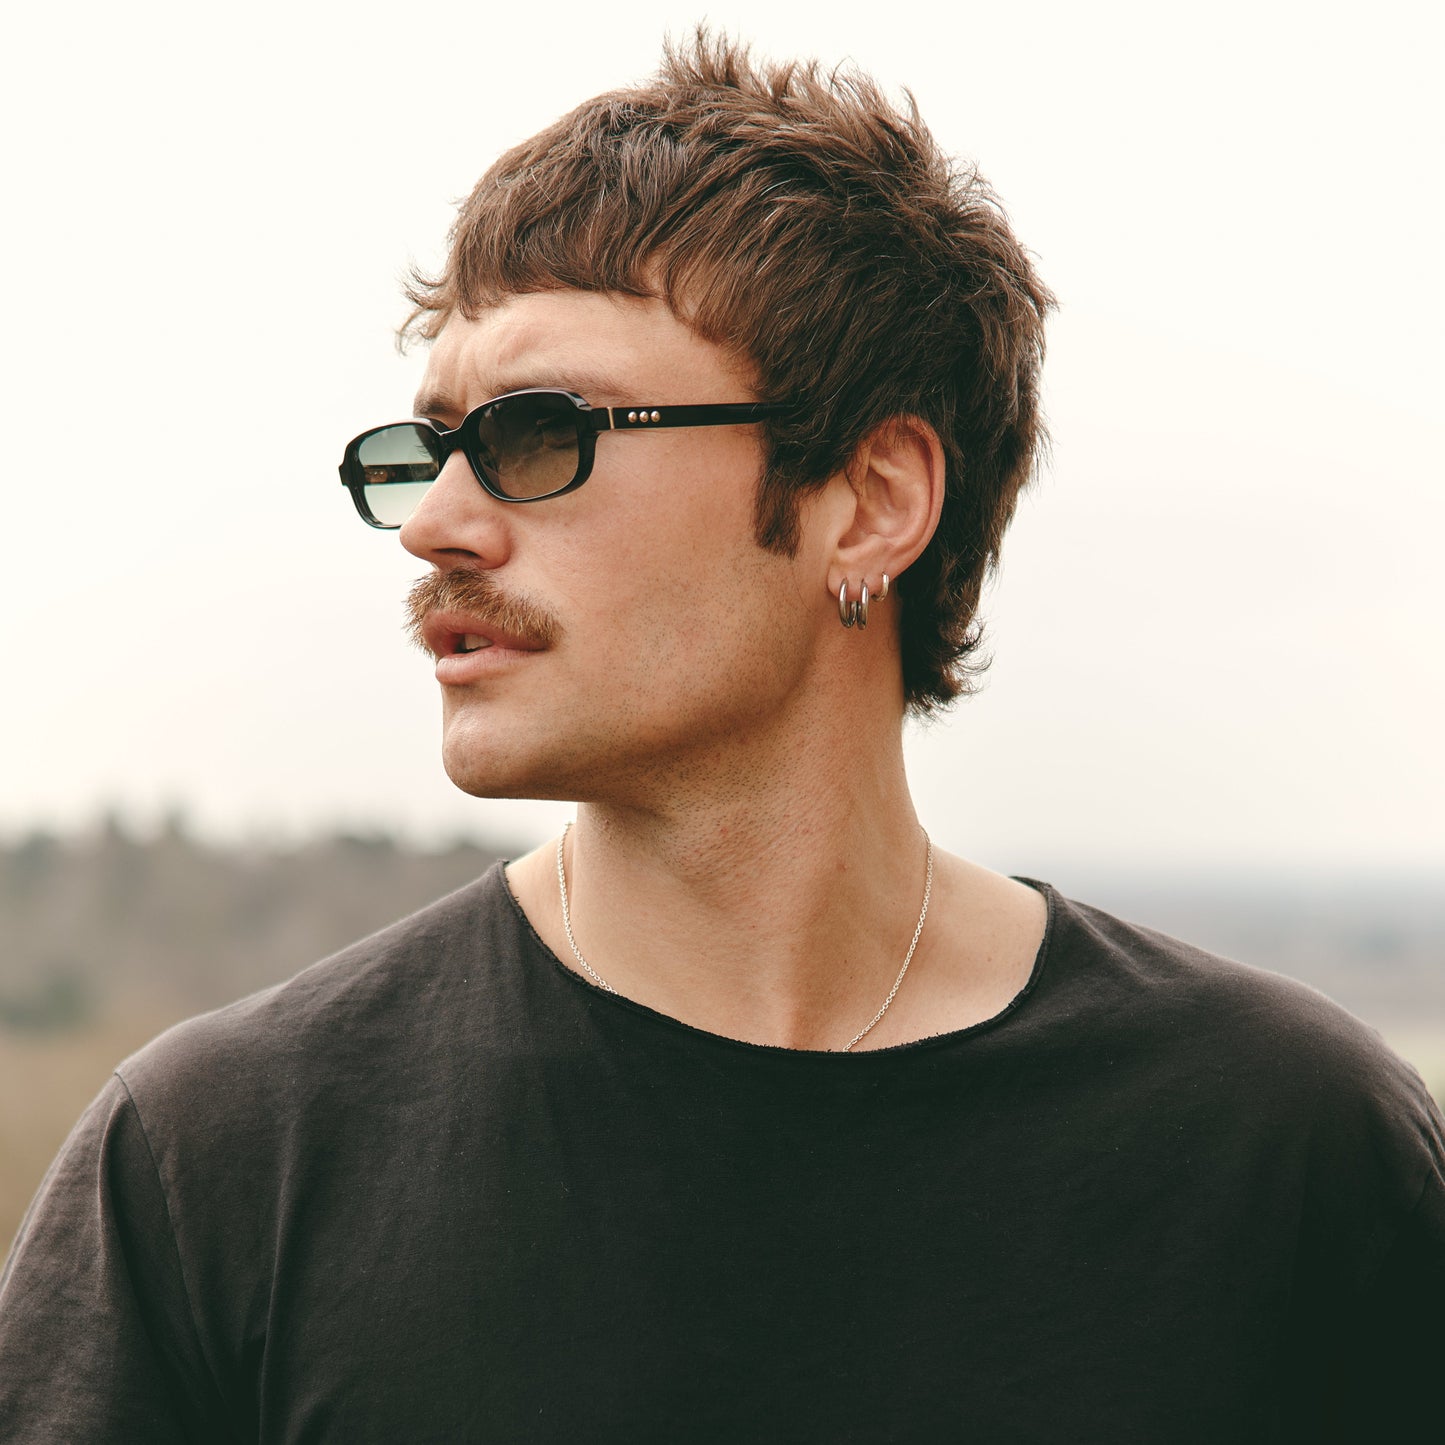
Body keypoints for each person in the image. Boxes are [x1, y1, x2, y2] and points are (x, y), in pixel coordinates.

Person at [2, 32, 1441, 1443]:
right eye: (426, 450)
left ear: (870, 502)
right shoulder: (216, 1164)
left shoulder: (1288, 1147)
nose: (435, 522)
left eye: (537, 434)